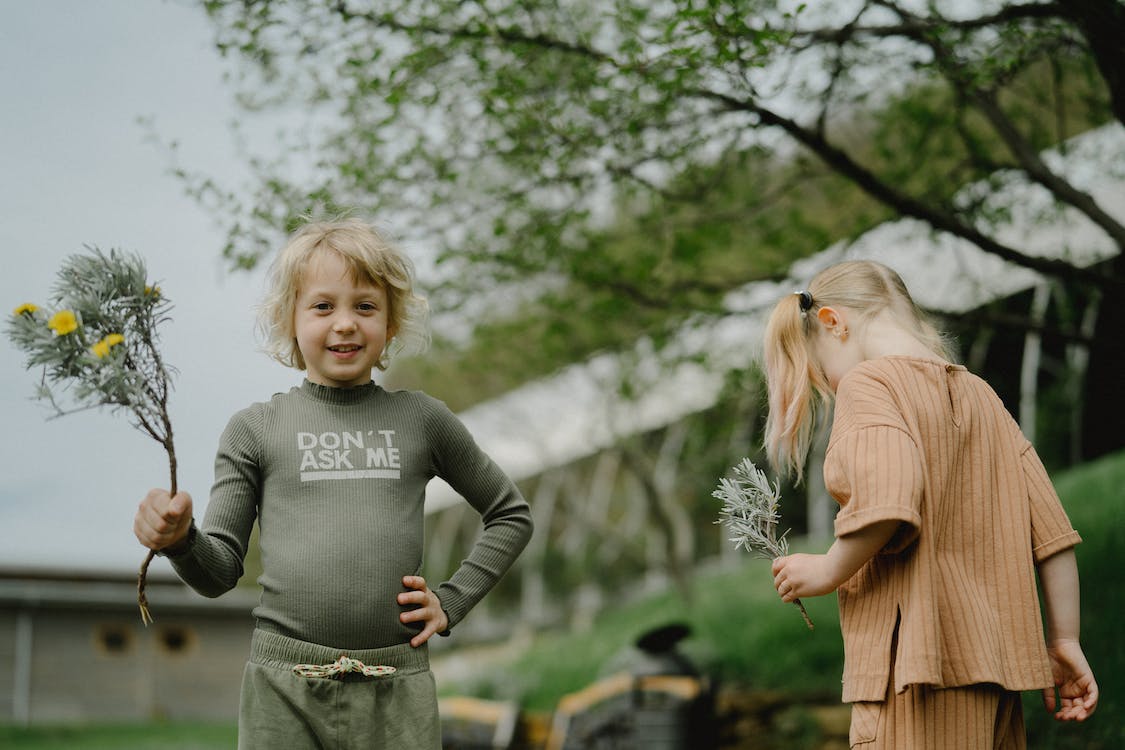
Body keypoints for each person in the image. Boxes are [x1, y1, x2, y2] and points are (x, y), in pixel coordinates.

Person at [133, 218, 534, 749]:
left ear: (391, 323)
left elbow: (510, 515)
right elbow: (219, 573)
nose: (344, 323)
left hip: (398, 690)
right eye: (323, 306)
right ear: (290, 320)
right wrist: (180, 539)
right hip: (283, 693)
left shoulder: (423, 420)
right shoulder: (255, 430)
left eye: (365, 306)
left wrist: (451, 602)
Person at [761, 260, 1097, 748]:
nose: (833, 387)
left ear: (833, 322)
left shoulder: (868, 384)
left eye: (822, 372)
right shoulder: (982, 395)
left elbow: (889, 495)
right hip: (997, 678)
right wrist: (1064, 640)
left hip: (915, 676)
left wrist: (828, 568)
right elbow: (1052, 534)